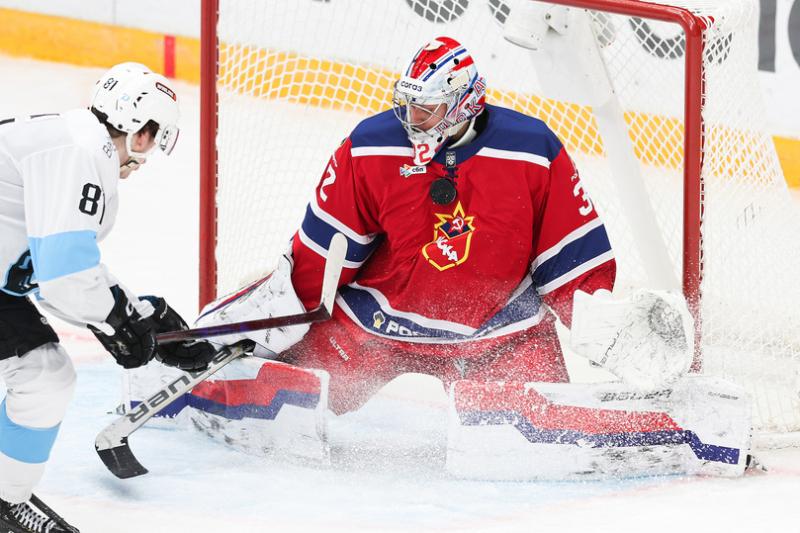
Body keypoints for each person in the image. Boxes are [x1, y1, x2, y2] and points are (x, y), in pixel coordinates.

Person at [177, 37, 744, 478]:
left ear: (464, 104)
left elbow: (570, 262)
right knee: (285, 397)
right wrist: (242, 328)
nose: (411, 120)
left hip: (500, 336)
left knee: (548, 433)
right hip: (375, 329)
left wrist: (601, 324)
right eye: (408, 105)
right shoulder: (370, 146)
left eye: (426, 110)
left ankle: (689, 433)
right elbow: (318, 260)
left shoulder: (534, 151)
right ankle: (180, 371)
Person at [0, 62, 216, 533]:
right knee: (42, 375)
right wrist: (119, 322)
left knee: (44, 375)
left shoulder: (73, 142)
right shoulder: (82, 151)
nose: (148, 155)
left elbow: (49, 270)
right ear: (140, 132)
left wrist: (140, 315)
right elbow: (63, 275)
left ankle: (4, 499)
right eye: (154, 141)